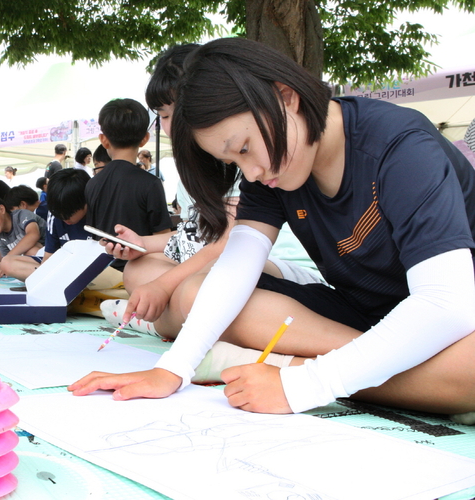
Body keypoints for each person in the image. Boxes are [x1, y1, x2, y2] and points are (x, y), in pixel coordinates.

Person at [70, 38, 475, 420]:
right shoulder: (270, 173)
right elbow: (236, 266)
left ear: (285, 96)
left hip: (458, 319)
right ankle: (416, 374)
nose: (252, 172)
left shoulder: (398, 146)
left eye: (244, 147)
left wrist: (303, 384)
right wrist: (172, 369)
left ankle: (309, 367)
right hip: (362, 316)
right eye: (235, 161)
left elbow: (448, 303)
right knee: (195, 293)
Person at [97, 43, 321, 337]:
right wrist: (142, 243)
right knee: (140, 271)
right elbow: (195, 235)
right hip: (220, 269)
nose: (172, 125)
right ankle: (182, 320)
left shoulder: (248, 157)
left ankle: (170, 322)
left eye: (174, 112)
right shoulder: (199, 167)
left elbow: (233, 243)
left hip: (269, 268)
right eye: (163, 116)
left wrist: (165, 286)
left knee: (194, 290)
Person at [84, 98, 172, 271]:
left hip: (102, 272)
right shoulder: (151, 183)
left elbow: (94, 237)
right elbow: (164, 239)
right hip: (141, 272)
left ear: (104, 140)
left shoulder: (92, 184)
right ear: (144, 139)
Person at [0, 194, 46, 278]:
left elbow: (33, 235)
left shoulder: (21, 215)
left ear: (1, 209)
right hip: (33, 266)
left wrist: (9, 256)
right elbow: (6, 265)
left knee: (30, 250)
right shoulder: (0, 239)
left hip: (51, 256)